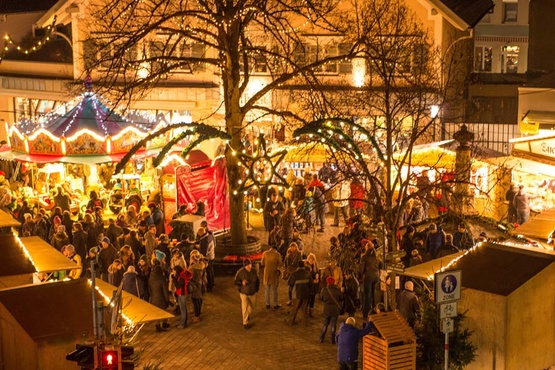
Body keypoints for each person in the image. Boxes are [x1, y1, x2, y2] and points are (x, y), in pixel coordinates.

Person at [234, 259, 260, 329]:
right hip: (244, 293)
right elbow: (236, 281)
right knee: (244, 307)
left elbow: (257, 281)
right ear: (244, 266)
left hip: (252, 292)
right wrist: (241, 283)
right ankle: (245, 322)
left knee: (252, 306)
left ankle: (247, 314)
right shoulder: (240, 272)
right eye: (248, 265)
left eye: (250, 264)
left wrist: (256, 289)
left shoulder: (254, 271)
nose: (249, 266)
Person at [359, 239, 382, 319]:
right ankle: (375, 311)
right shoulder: (377, 257)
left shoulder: (364, 257)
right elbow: (381, 267)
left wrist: (360, 275)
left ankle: (366, 313)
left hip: (368, 278)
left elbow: (361, 269)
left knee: (367, 296)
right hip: (376, 277)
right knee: (375, 295)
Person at [287, 260, 313, 326]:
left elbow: (290, 284)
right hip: (306, 294)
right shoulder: (307, 273)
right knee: (304, 309)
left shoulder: (294, 274)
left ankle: (290, 322)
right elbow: (311, 284)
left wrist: (290, 296)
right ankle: (305, 323)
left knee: (294, 308)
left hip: (296, 294)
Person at [319, 276, 343, 344]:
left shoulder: (324, 290)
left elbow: (321, 298)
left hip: (327, 309)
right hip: (335, 309)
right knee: (333, 324)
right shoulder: (337, 289)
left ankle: (321, 337)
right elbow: (341, 298)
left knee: (325, 324)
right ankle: (332, 339)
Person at [149, 259, 171, 332]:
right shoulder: (162, 278)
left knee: (158, 312)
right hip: (161, 298)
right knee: (163, 311)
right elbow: (165, 291)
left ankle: (163, 323)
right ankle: (159, 324)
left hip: (153, 298)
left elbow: (149, 289)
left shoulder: (151, 278)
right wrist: (167, 300)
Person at [261, 244, 283, 309]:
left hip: (266, 274)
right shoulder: (277, 254)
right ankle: (275, 304)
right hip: (274, 274)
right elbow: (280, 264)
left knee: (267, 290)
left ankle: (267, 304)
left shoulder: (265, 253)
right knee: (274, 290)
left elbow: (262, 263)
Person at [196, 227, 215, 291]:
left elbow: (204, 253)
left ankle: (210, 286)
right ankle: (212, 284)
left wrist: (198, 248)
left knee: (208, 272)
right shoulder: (209, 236)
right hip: (212, 256)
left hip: (208, 258)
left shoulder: (204, 241)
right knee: (211, 271)